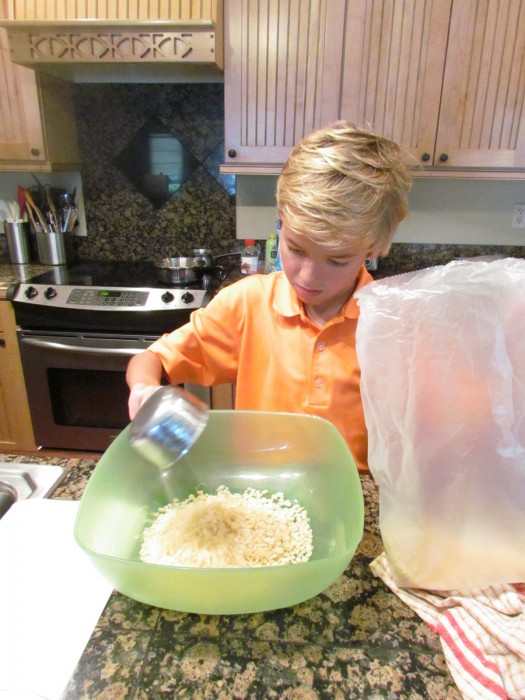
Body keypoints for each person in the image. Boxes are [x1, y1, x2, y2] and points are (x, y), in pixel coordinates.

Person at [126, 121, 411, 471]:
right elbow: (151, 360)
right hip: (258, 489)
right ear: (280, 222)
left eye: (337, 260)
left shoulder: (392, 322)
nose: (308, 276)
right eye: (296, 248)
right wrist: (144, 389)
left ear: (375, 248)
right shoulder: (247, 304)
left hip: (351, 493)